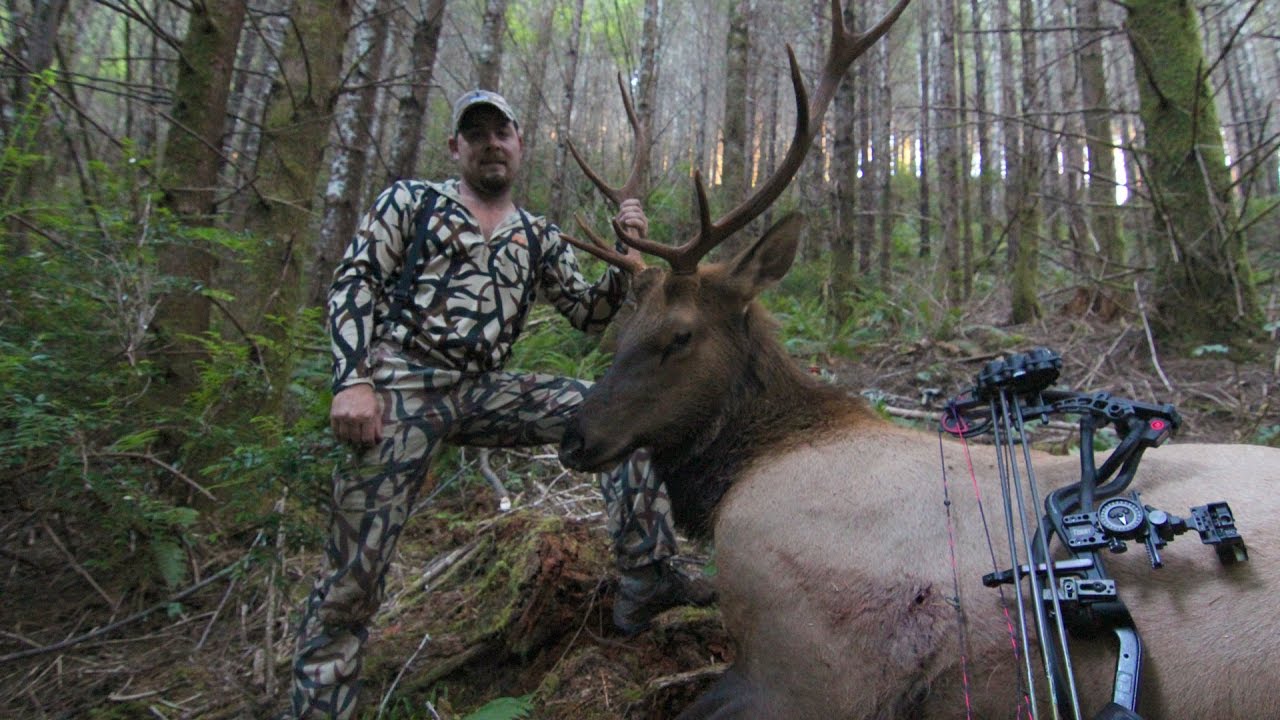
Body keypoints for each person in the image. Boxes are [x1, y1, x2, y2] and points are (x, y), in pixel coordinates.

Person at [287, 89, 713, 719]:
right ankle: (318, 705)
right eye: (476, 132)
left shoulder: (537, 236)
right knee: (353, 581)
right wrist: (352, 379)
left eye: (502, 132)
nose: (490, 142)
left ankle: (648, 579)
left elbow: (589, 315)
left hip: (483, 390)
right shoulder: (413, 202)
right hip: (398, 386)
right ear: (455, 146)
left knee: (620, 422)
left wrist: (627, 257)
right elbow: (356, 284)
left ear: (519, 145)